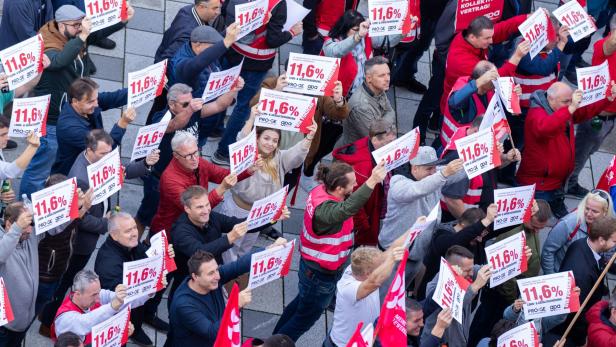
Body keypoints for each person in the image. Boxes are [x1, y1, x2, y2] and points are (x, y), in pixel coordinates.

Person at [23, 4, 134, 198]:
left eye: (81, 25)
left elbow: (94, 34)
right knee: (39, 169)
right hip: (51, 120)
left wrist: (121, 21)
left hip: (67, 105)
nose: (80, 30)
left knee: (54, 163)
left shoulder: (70, 34)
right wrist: (122, 124)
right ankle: (27, 201)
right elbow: (60, 61)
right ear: (61, 25)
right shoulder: (48, 46)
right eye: (76, 26)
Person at [49, 130, 159, 324]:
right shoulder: (81, 177)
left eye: (110, 153)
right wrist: (105, 224)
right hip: (81, 242)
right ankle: (50, 317)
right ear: (89, 150)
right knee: (67, 279)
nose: (108, 158)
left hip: (97, 224)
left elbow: (120, 170)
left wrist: (145, 164)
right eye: (103, 154)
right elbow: (78, 217)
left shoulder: (100, 160)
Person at [273, 161, 387, 341]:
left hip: (312, 269)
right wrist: (371, 181)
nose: (357, 184)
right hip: (319, 275)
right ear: (340, 189)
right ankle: (277, 344)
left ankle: (274, 338)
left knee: (300, 306)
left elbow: (345, 206)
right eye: (353, 183)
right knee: (304, 318)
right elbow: (346, 209)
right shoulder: (326, 212)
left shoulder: (321, 192)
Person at [211, 0, 303, 165]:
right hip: (256, 61)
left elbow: (225, 10)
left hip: (233, 50)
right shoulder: (278, 4)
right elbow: (273, 40)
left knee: (223, 92)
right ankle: (224, 151)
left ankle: (213, 128)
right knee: (244, 106)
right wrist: (291, 33)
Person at [219, 106, 314, 261]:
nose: (271, 144)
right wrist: (251, 119)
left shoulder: (279, 157)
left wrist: (309, 137)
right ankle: (227, 279)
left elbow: (296, 154)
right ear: (256, 138)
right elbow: (241, 140)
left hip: (259, 213)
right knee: (230, 250)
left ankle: (241, 273)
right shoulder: (248, 154)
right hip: (237, 210)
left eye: (275, 141)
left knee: (246, 248)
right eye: (266, 138)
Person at [516, 82, 616, 219]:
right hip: (540, 184)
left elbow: (583, 113)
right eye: (566, 101)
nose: (570, 104)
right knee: (535, 218)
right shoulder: (537, 113)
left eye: (571, 101)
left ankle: (557, 202)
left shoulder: (560, 108)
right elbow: (546, 128)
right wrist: (571, 108)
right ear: (550, 99)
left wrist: (607, 99)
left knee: (554, 200)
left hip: (557, 180)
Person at [170, 185, 287, 300]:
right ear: (187, 209)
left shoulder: (211, 216)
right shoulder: (180, 231)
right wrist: (229, 238)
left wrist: (272, 217)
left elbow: (240, 224)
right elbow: (200, 253)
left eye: (207, 205)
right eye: (200, 207)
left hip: (211, 272)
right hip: (188, 279)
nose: (206, 211)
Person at [135, 83, 205, 236]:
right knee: (145, 216)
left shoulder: (191, 112)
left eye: (191, 102)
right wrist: (191, 109)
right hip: (158, 179)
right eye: (185, 104)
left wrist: (233, 90)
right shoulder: (161, 117)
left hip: (181, 177)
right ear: (172, 104)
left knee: (166, 218)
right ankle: (130, 248)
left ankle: (149, 243)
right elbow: (172, 125)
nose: (190, 105)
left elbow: (219, 105)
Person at [149, 131, 253, 235]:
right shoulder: (170, 179)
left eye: (196, 152)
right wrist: (222, 188)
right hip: (170, 232)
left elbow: (222, 174)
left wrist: (248, 170)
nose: (194, 159)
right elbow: (197, 208)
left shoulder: (198, 162)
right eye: (188, 156)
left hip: (190, 226)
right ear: (176, 155)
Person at [168, 248, 277, 346]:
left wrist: (268, 251)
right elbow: (212, 333)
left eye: (216, 269)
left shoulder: (210, 280)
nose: (218, 276)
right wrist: (235, 306)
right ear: (195, 276)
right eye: (211, 273)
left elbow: (238, 265)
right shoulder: (184, 305)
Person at [94, 212, 172, 346]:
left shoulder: (129, 245)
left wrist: (163, 254)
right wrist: (149, 288)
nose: (135, 233)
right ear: (114, 235)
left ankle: (137, 328)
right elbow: (122, 298)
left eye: (134, 227)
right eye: (128, 231)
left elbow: (146, 255)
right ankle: (133, 331)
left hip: (136, 305)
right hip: (118, 311)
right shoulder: (108, 263)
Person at [545, 215, 616, 346]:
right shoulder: (582, 274)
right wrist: (581, 340)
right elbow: (577, 312)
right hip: (568, 332)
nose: (615, 244)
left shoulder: (581, 243)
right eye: (613, 241)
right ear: (601, 240)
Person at [440, 15, 530, 117]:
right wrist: (516, 57)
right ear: (472, 37)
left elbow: (502, 28)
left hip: (474, 99)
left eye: (491, 36)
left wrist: (527, 18)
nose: (491, 41)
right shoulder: (462, 61)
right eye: (487, 38)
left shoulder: (472, 36)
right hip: (463, 111)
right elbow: (494, 79)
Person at [169, 24, 244, 147]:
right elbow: (196, 65)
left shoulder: (202, 50)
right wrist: (225, 43)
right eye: (213, 48)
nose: (215, 53)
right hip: (194, 121)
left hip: (209, 119)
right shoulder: (181, 64)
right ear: (197, 44)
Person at [37, 174, 92, 337]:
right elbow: (59, 227)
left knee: (49, 298)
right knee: (37, 304)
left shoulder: (65, 209)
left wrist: (83, 207)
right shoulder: (48, 219)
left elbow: (73, 219)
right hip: (46, 274)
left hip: (59, 267)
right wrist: (79, 206)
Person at [150, 0, 223, 122]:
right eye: (214, 8)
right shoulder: (187, 34)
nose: (218, 12)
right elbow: (169, 58)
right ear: (201, 6)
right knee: (161, 117)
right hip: (171, 87)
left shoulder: (188, 10)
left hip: (168, 82)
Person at [568, 14, 616, 198]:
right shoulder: (603, 47)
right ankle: (562, 189)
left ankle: (570, 183)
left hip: (609, 118)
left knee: (590, 151)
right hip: (596, 116)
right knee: (579, 154)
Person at [332, 119, 398, 246]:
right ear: (375, 140)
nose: (393, 145)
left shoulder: (369, 147)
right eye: (389, 142)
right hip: (365, 219)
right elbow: (355, 203)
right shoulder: (363, 169)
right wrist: (363, 226)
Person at [326, 245, 406, 346]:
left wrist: (413, 232)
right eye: (380, 267)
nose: (383, 266)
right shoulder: (348, 288)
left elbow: (390, 251)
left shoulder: (357, 268)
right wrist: (392, 260)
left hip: (363, 341)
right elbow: (375, 281)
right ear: (368, 274)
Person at [52, 78, 134, 175]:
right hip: (74, 175)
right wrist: (122, 123)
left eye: (96, 99)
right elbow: (106, 148)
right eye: (90, 102)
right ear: (75, 101)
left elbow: (114, 97)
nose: (96, 104)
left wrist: (138, 88)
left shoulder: (87, 103)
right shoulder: (70, 128)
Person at [419, 205, 497, 300]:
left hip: (461, 299)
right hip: (435, 298)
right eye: (477, 235)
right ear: (464, 225)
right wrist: (486, 221)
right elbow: (456, 241)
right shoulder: (442, 237)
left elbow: (500, 229)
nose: (480, 240)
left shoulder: (474, 238)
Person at [421, 246, 492, 347]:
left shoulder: (468, 273)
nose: (472, 274)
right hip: (438, 343)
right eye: (467, 271)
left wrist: (519, 254)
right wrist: (475, 286)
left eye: (472, 269)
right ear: (453, 268)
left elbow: (488, 270)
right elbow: (455, 305)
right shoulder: (434, 287)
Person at [52, 270, 147, 344]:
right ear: (77, 294)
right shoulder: (65, 319)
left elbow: (125, 301)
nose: (98, 299)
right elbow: (86, 321)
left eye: (98, 292)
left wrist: (149, 290)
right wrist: (112, 307)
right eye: (94, 295)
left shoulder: (95, 294)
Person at [321, 10, 402, 96]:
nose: (361, 31)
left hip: (363, 88)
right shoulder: (331, 42)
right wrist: (358, 36)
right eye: (356, 29)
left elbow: (383, 42)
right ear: (345, 28)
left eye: (361, 28)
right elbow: (336, 52)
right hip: (341, 94)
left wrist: (402, 32)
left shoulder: (364, 37)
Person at [542, 189, 615, 274]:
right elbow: (547, 252)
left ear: (605, 213)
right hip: (562, 275)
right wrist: (551, 277)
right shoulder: (567, 224)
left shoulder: (608, 226)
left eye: (594, 211)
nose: (588, 214)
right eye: (587, 208)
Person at [440, 61, 510, 147]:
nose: (495, 83)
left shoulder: (488, 89)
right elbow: (453, 102)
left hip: (471, 148)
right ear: (481, 80)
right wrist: (478, 82)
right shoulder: (465, 92)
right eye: (491, 77)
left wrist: (512, 94)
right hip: (454, 148)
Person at [0, 202, 37, 346]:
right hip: (4, 326)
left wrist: (79, 208)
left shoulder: (28, 236)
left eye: (30, 223)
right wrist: (16, 230)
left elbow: (55, 226)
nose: (29, 230)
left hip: (23, 321)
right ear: (9, 224)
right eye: (24, 224)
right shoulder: (8, 238)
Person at [343, 56, 395, 145]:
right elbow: (375, 139)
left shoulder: (378, 88)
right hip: (356, 153)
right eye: (382, 75)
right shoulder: (361, 106)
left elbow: (391, 112)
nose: (387, 79)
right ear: (368, 78)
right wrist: (388, 125)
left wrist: (380, 124)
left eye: (388, 74)